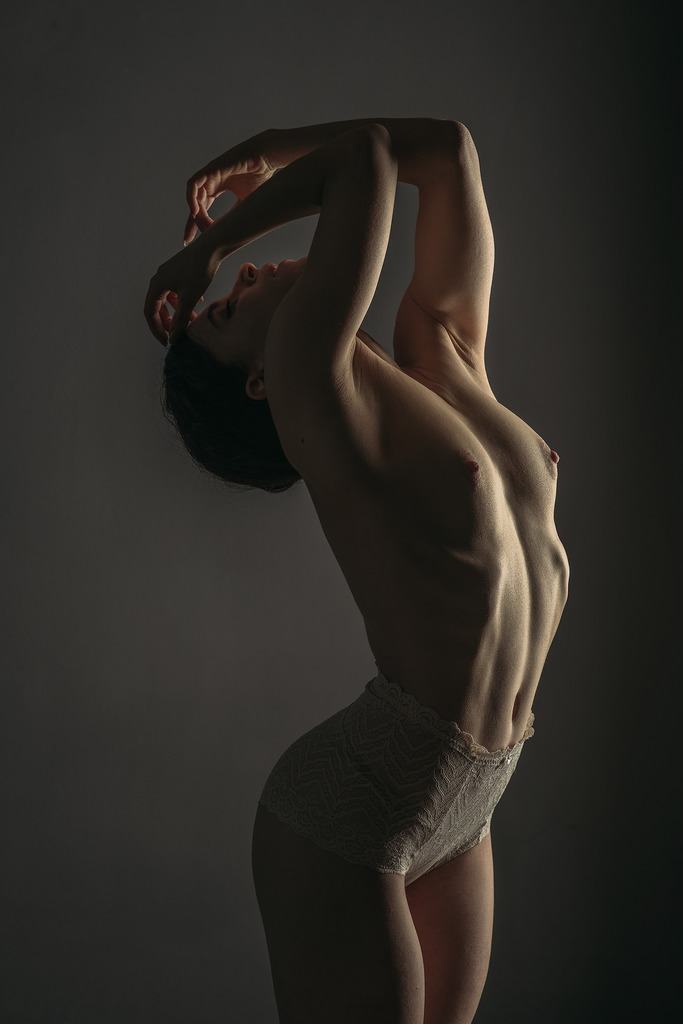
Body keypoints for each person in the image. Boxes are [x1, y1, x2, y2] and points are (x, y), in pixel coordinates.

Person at [144, 117, 570, 1024]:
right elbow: (363, 162)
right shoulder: (310, 389)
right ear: (262, 382)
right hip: (355, 808)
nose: (242, 278)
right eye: (228, 311)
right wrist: (209, 247)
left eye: (227, 287)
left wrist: (266, 151)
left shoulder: (441, 354)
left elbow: (446, 151)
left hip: (473, 795)